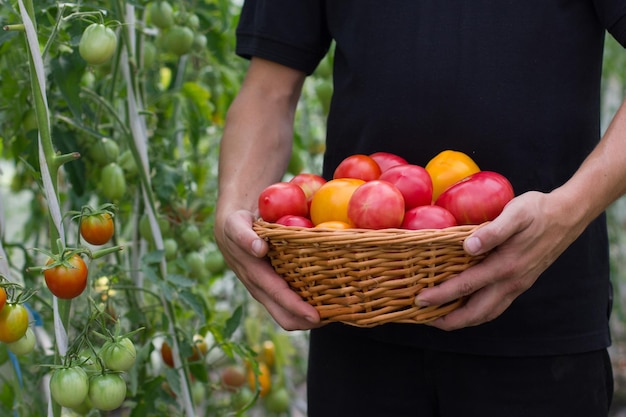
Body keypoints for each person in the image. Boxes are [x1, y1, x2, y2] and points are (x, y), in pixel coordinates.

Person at [214, 2, 626, 416]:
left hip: (540, 331)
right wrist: (234, 211)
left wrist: (566, 212)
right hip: (357, 315)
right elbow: (269, 89)